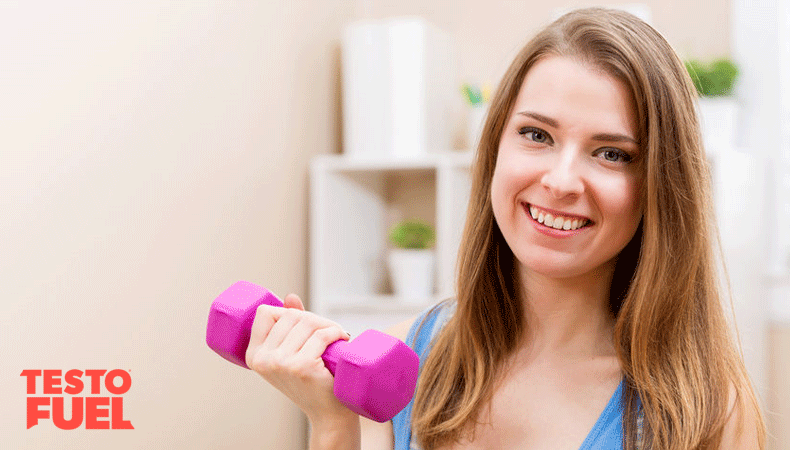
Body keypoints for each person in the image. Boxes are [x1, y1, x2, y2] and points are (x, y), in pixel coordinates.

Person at [245, 7, 766, 450]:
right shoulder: (413, 357)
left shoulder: (706, 410)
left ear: (659, 186)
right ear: (496, 147)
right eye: (536, 134)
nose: (560, 181)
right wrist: (332, 423)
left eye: (611, 153)